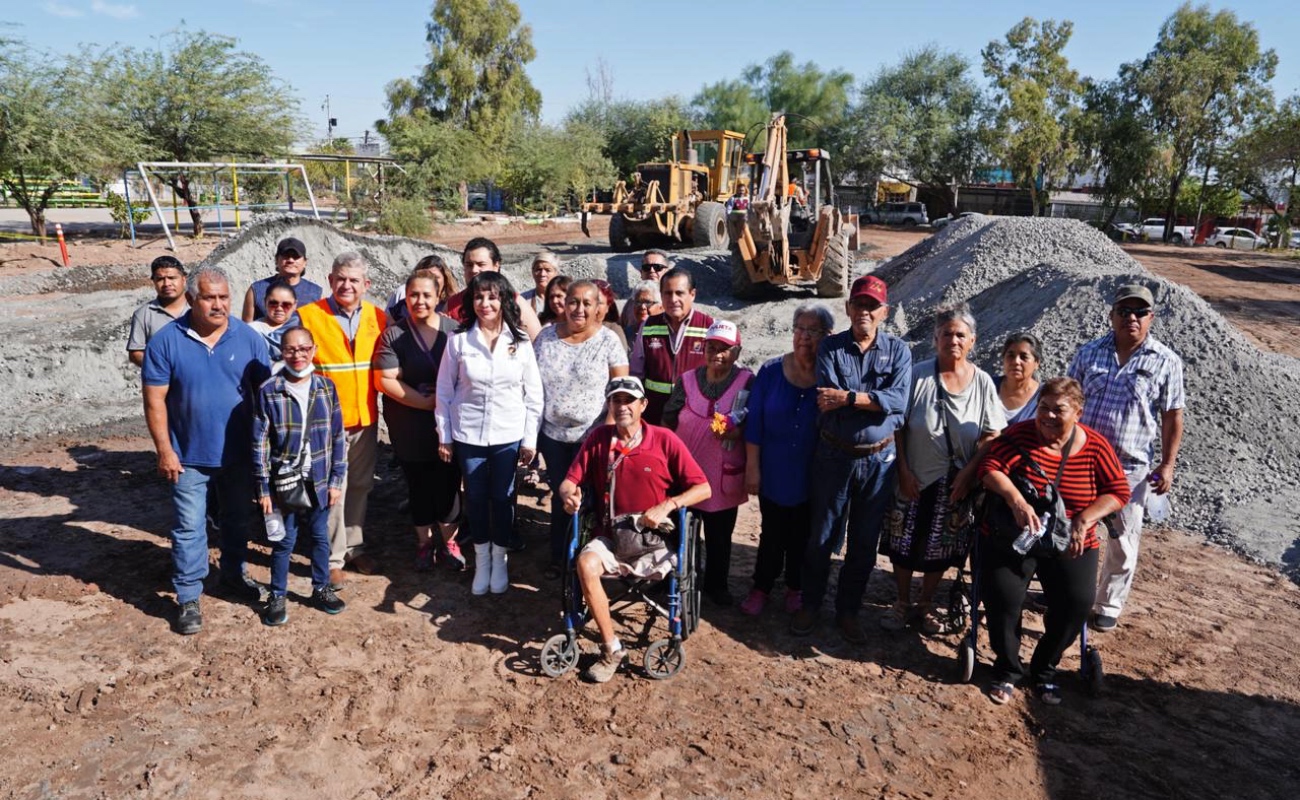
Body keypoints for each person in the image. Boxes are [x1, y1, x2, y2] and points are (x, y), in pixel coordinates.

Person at [978, 377, 1131, 705]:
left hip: (1071, 541)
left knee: (1075, 604)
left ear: (1078, 411)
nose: (1047, 416)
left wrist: (1085, 518)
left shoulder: (1096, 446)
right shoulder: (1019, 436)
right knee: (1003, 598)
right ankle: (1007, 669)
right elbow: (990, 468)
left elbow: (1118, 491)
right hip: (1017, 537)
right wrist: (1016, 500)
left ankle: (1044, 669)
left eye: (1058, 410)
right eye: (1042, 408)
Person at [141, 266, 271, 635]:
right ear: (193, 299)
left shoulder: (248, 339)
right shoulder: (166, 341)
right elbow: (154, 402)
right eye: (210, 298)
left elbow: (266, 397)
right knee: (188, 527)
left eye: (224, 297)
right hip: (187, 455)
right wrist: (164, 450)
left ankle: (233, 575)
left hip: (238, 454)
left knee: (237, 520)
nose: (218, 305)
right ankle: (188, 596)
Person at [559, 376, 712, 683]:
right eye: (616, 400)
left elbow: (703, 488)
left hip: (655, 541)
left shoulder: (665, 440)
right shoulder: (598, 439)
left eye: (629, 400)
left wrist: (668, 505)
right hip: (611, 536)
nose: (622, 406)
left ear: (643, 405)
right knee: (585, 564)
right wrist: (568, 495)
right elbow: (568, 481)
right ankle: (612, 648)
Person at [790, 275, 912, 643]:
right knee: (822, 536)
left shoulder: (899, 352)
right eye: (859, 304)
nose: (865, 312)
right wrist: (874, 401)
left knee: (863, 542)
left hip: (879, 462)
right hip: (834, 456)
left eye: (872, 306)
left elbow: (899, 402)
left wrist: (849, 398)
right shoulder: (831, 349)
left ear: (884, 312)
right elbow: (828, 396)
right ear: (848, 308)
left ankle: (848, 611)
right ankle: (811, 604)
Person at [880, 305, 1005, 633]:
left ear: (972, 340)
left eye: (960, 334)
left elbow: (992, 434)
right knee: (903, 540)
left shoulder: (982, 383)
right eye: (946, 333)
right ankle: (902, 602)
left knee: (941, 545)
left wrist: (969, 473)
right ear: (935, 338)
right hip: (914, 474)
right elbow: (900, 425)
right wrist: (903, 470)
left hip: (956, 481)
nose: (953, 339)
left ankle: (925, 604)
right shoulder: (917, 374)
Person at [1068, 283, 1184, 632]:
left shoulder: (1165, 361)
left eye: (1139, 313)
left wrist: (1167, 464)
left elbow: (1172, 415)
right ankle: (1068, 588)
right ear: (1111, 315)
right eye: (1123, 312)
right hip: (1083, 459)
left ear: (1151, 318)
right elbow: (1068, 401)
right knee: (1074, 527)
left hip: (1130, 468)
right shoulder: (1089, 353)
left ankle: (1107, 603)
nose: (1130, 318)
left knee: (1122, 538)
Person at [436, 271, 543, 596]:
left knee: (504, 498)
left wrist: (529, 440)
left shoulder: (520, 342)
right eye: (479, 297)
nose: (486, 303)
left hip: (508, 436)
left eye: (493, 296)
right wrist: (445, 435)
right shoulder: (458, 341)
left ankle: (501, 558)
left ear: (504, 301)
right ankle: (482, 561)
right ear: (472, 301)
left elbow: (533, 394)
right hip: (469, 435)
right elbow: (444, 391)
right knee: (478, 500)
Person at [297, 251, 388, 587]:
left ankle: (354, 546)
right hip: (326, 423)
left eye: (354, 280)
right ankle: (333, 558)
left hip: (365, 419)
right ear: (330, 280)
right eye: (341, 279)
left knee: (361, 485)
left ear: (366, 284)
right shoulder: (309, 316)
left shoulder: (378, 318)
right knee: (333, 489)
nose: (346, 285)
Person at [739, 303, 833, 616]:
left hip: (813, 472)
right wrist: (752, 468)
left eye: (813, 331)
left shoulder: (830, 375)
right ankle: (761, 587)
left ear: (826, 335)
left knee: (802, 535)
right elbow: (754, 424)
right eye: (799, 329)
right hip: (774, 468)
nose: (804, 337)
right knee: (772, 532)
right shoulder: (770, 370)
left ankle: (795, 586)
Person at [252, 326, 347, 625]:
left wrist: (336, 481)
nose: (298, 355)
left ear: (314, 350)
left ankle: (321, 588)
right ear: (282, 351)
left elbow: (338, 437)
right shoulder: (269, 390)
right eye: (291, 349)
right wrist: (263, 489)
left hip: (318, 479)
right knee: (284, 540)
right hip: (284, 481)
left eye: (304, 348)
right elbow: (259, 444)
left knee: (320, 536)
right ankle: (277, 595)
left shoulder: (326, 388)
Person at [534, 280, 630, 577]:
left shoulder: (608, 341)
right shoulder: (545, 338)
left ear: (598, 307)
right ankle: (559, 557)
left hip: (594, 436)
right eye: (573, 301)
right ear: (563, 304)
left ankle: (590, 558)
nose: (579, 308)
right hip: (553, 436)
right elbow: (530, 387)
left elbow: (619, 392)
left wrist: (609, 435)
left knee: (592, 497)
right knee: (562, 494)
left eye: (587, 303)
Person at [373, 268, 466, 573]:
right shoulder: (393, 335)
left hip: (449, 425)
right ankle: (424, 543)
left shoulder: (455, 331)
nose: (420, 301)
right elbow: (386, 379)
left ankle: (450, 543)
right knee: (418, 483)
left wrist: (409, 380)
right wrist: (427, 400)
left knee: (449, 482)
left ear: (439, 297)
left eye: (427, 295)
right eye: (413, 295)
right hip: (409, 423)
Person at [662, 320, 754, 606]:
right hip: (686, 471)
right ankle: (673, 579)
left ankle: (716, 585)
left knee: (719, 536)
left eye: (725, 349)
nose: (718, 354)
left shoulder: (748, 381)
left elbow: (755, 425)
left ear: (737, 352)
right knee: (678, 531)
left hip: (722, 474)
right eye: (712, 347)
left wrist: (737, 432)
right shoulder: (688, 379)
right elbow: (668, 417)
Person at [629, 267, 714, 424]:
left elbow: (724, 372)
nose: (673, 299)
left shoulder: (709, 326)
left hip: (695, 417)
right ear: (661, 296)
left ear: (692, 294)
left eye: (679, 293)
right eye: (667, 293)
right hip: (655, 416)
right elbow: (635, 374)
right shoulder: (648, 326)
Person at [444, 237, 543, 338]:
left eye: (481, 264)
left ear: (496, 266)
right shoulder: (452, 305)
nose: (474, 270)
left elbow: (538, 343)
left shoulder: (515, 303)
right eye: (469, 265)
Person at [241, 236, 324, 322]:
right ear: (277, 259)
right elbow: (247, 328)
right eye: (286, 256)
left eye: (296, 257)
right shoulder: (256, 290)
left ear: (305, 262)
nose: (291, 260)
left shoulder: (316, 294)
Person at [127, 256, 189, 367]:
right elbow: (135, 353)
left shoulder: (199, 308)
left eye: (172, 278)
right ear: (154, 281)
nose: (166, 284)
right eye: (160, 279)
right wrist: (161, 368)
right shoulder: (144, 314)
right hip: (163, 383)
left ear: (184, 279)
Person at [385, 253, 459, 324]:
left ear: (445, 279)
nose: (432, 281)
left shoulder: (453, 305)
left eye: (436, 277)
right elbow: (388, 322)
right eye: (427, 276)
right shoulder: (403, 305)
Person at [247, 279, 300, 364]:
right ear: (265, 302)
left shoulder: (301, 329)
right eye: (273, 303)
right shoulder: (252, 330)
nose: (279, 308)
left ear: (295, 305)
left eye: (286, 304)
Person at [996, 333, 1043, 424]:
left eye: (1024, 357)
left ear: (1036, 363)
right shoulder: (986, 386)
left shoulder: (1044, 396)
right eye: (1011, 356)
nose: (1016, 361)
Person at [619, 279, 661, 345]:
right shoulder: (625, 335)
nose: (642, 307)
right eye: (638, 302)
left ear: (660, 306)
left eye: (648, 302)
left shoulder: (668, 334)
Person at [592, 279, 630, 351]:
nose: (593, 307)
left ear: (608, 307)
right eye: (588, 302)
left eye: (599, 303)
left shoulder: (613, 332)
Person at [521, 251, 559, 315]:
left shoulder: (565, 299)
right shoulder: (523, 300)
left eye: (548, 270)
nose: (542, 274)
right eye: (538, 269)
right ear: (532, 272)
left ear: (556, 273)